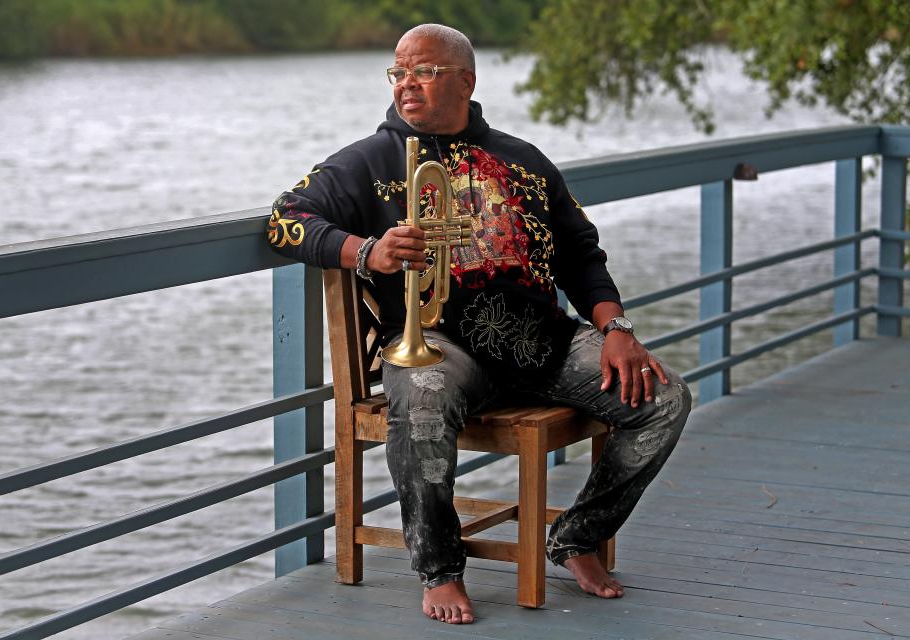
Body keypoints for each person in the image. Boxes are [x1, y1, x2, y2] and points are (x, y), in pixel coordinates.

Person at [266, 23, 691, 626]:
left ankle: (576, 538)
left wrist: (616, 328)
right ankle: (440, 569)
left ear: (466, 80)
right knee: (420, 398)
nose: (407, 84)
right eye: (399, 72)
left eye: (426, 72)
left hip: (542, 341)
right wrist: (366, 252)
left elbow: (580, 254)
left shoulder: (525, 160)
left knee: (666, 399)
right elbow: (285, 221)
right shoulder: (370, 160)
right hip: (439, 344)